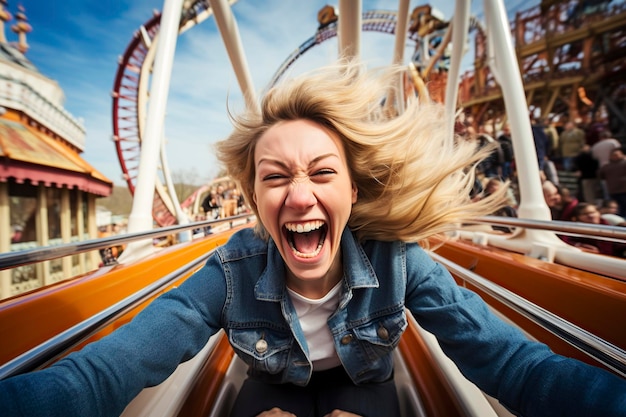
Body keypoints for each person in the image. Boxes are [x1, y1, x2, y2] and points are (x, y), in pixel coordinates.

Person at [1, 62, 624, 417]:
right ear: (254, 201)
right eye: (275, 178)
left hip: (366, 384)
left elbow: (515, 363)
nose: (299, 197)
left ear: (353, 190)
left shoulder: (401, 264)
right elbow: (106, 369)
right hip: (272, 386)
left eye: (323, 173)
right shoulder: (227, 274)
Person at [598, 147, 626, 217]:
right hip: (613, 190)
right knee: (616, 208)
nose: (615, 156)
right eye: (613, 155)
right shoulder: (607, 166)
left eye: (617, 154)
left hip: (624, 189)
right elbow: (600, 175)